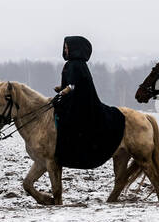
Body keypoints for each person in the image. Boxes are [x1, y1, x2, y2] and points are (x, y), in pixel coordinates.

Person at [53, 36, 126, 170]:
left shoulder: (77, 65)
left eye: (67, 47)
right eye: (64, 48)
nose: (65, 50)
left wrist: (65, 91)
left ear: (75, 49)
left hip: (81, 103)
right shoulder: (69, 65)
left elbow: (76, 85)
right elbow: (70, 84)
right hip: (71, 100)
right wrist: (62, 88)